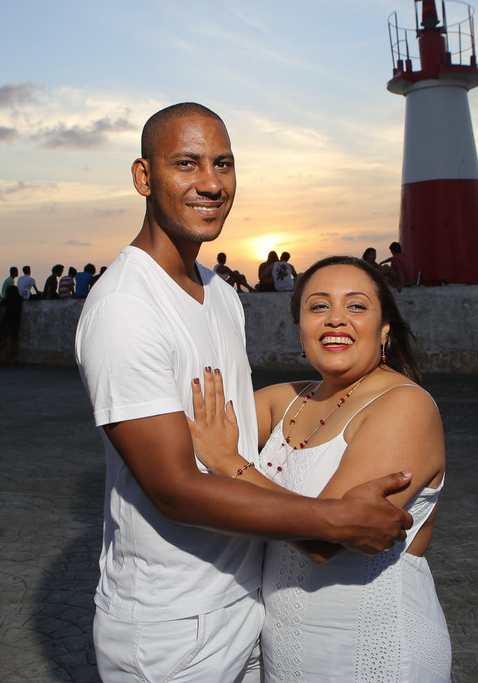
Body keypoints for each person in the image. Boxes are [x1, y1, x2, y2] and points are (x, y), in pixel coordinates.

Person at [74, 102, 412, 682]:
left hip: (249, 604)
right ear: (143, 177)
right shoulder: (125, 307)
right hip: (174, 626)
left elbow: (237, 430)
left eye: (223, 164)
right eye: (187, 164)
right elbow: (174, 490)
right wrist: (333, 521)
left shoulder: (220, 293)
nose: (211, 183)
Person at [188, 255, 451, 682]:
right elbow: (191, 431)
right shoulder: (288, 401)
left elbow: (324, 540)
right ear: (301, 328)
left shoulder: (405, 407)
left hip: (371, 651)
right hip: (287, 652)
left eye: (357, 306)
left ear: (385, 329)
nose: (335, 320)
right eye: (318, 306)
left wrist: (230, 463)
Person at [0, 285, 22, 363]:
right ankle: (16, 358)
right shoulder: (19, 299)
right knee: (15, 341)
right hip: (16, 321)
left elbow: (2, 312)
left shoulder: (6, 300)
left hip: (7, 321)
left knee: (8, 341)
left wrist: (0, 321)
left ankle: (9, 358)